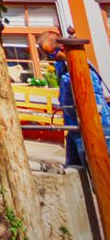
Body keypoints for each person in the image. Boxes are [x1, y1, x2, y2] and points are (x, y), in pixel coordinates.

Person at [36, 29, 110, 168]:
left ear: (63, 48)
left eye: (51, 54)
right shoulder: (61, 66)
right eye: (46, 55)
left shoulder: (81, 67)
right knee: (73, 168)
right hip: (73, 128)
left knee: (98, 165)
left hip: (92, 128)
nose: (50, 58)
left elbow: (94, 101)